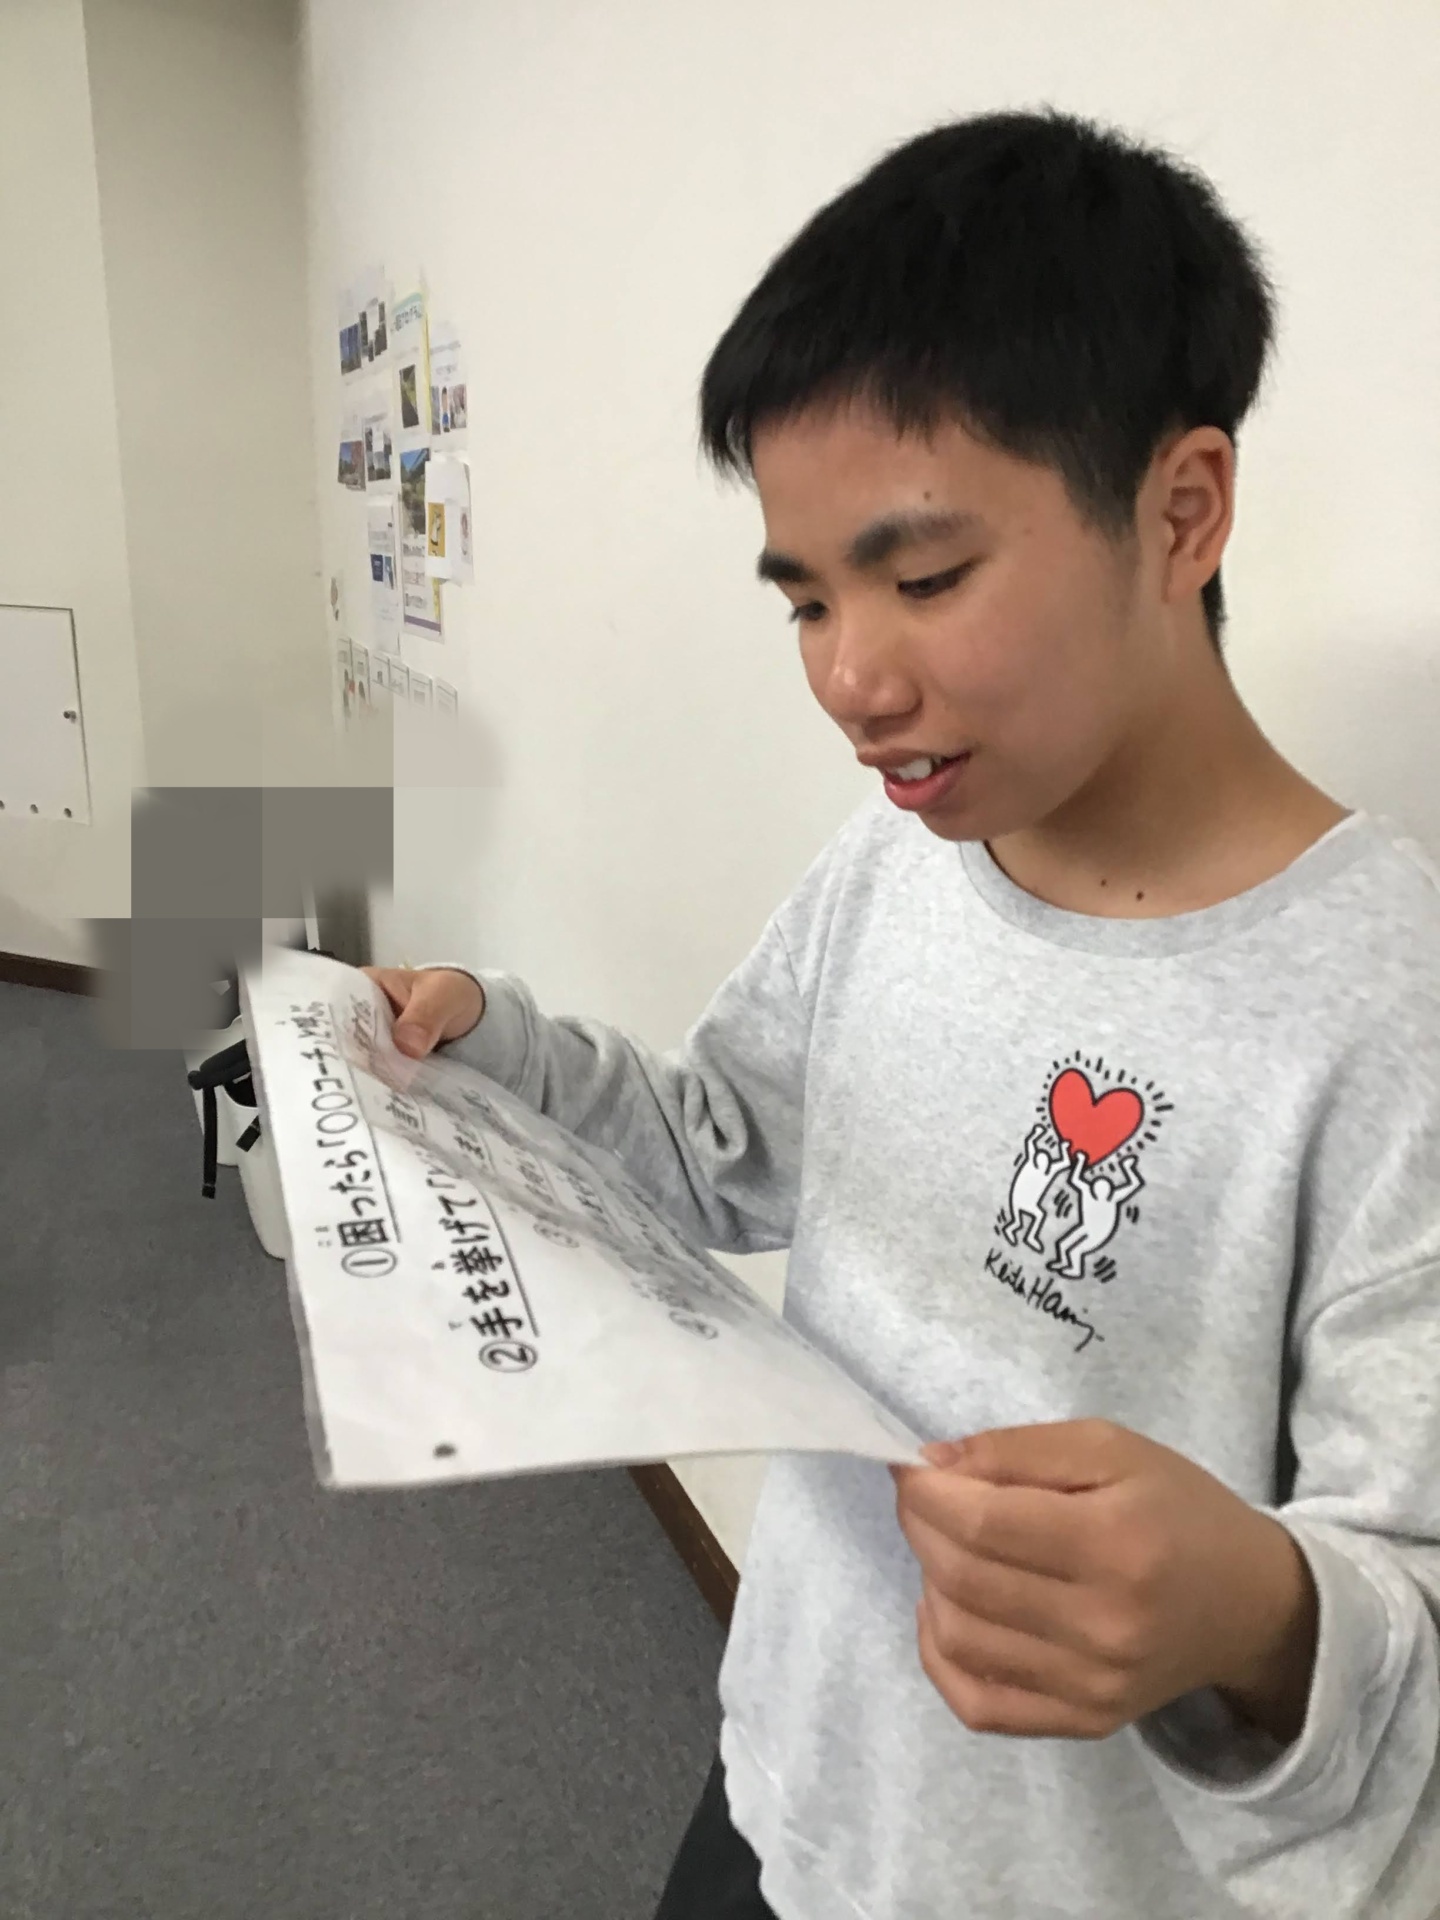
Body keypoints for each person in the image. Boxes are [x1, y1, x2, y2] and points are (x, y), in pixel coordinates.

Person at [362, 106, 1440, 1920]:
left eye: (925, 578)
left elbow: (1406, 1618)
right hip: (792, 1778)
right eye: (808, 601)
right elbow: (720, 1151)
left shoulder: (1391, 1004)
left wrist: (1256, 1612)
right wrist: (493, 1057)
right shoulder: (900, 859)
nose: (854, 680)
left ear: (1180, 513)